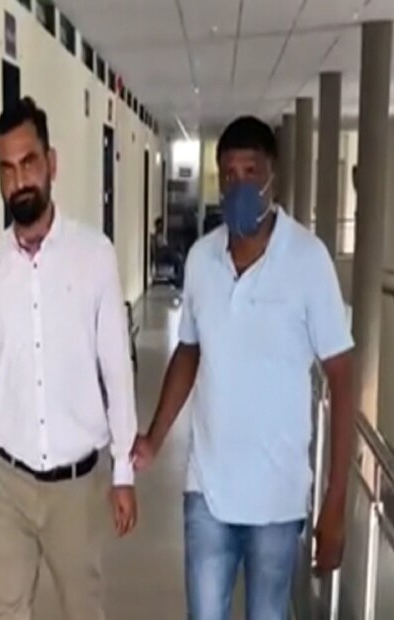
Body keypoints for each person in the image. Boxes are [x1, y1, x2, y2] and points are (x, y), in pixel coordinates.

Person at [132, 116, 355, 620]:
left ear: (272, 176)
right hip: (207, 491)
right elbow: (188, 351)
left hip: (277, 500)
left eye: (251, 172)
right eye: (229, 174)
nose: (239, 186)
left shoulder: (308, 260)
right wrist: (154, 437)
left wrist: (336, 501)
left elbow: (342, 377)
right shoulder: (201, 258)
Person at [0, 97, 138, 620]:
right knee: (3, 611)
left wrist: (123, 471)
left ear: (51, 163)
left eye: (28, 162)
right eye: (6, 169)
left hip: (77, 486)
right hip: (7, 483)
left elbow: (116, 369)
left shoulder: (94, 256)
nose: (19, 181)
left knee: (83, 610)